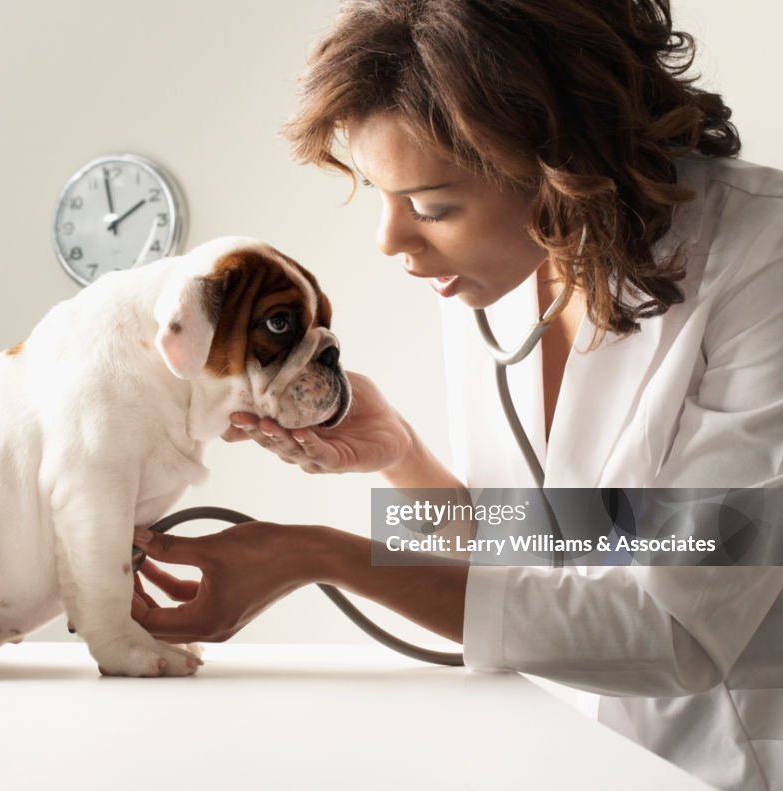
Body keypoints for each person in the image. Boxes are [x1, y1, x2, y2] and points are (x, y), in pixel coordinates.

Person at [130, 2, 783, 788]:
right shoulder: (497, 274)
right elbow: (556, 542)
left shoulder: (762, 257)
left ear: (562, 162)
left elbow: (676, 627)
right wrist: (403, 457)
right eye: (380, 192)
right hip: (574, 754)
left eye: (431, 206)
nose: (390, 240)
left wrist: (322, 554)